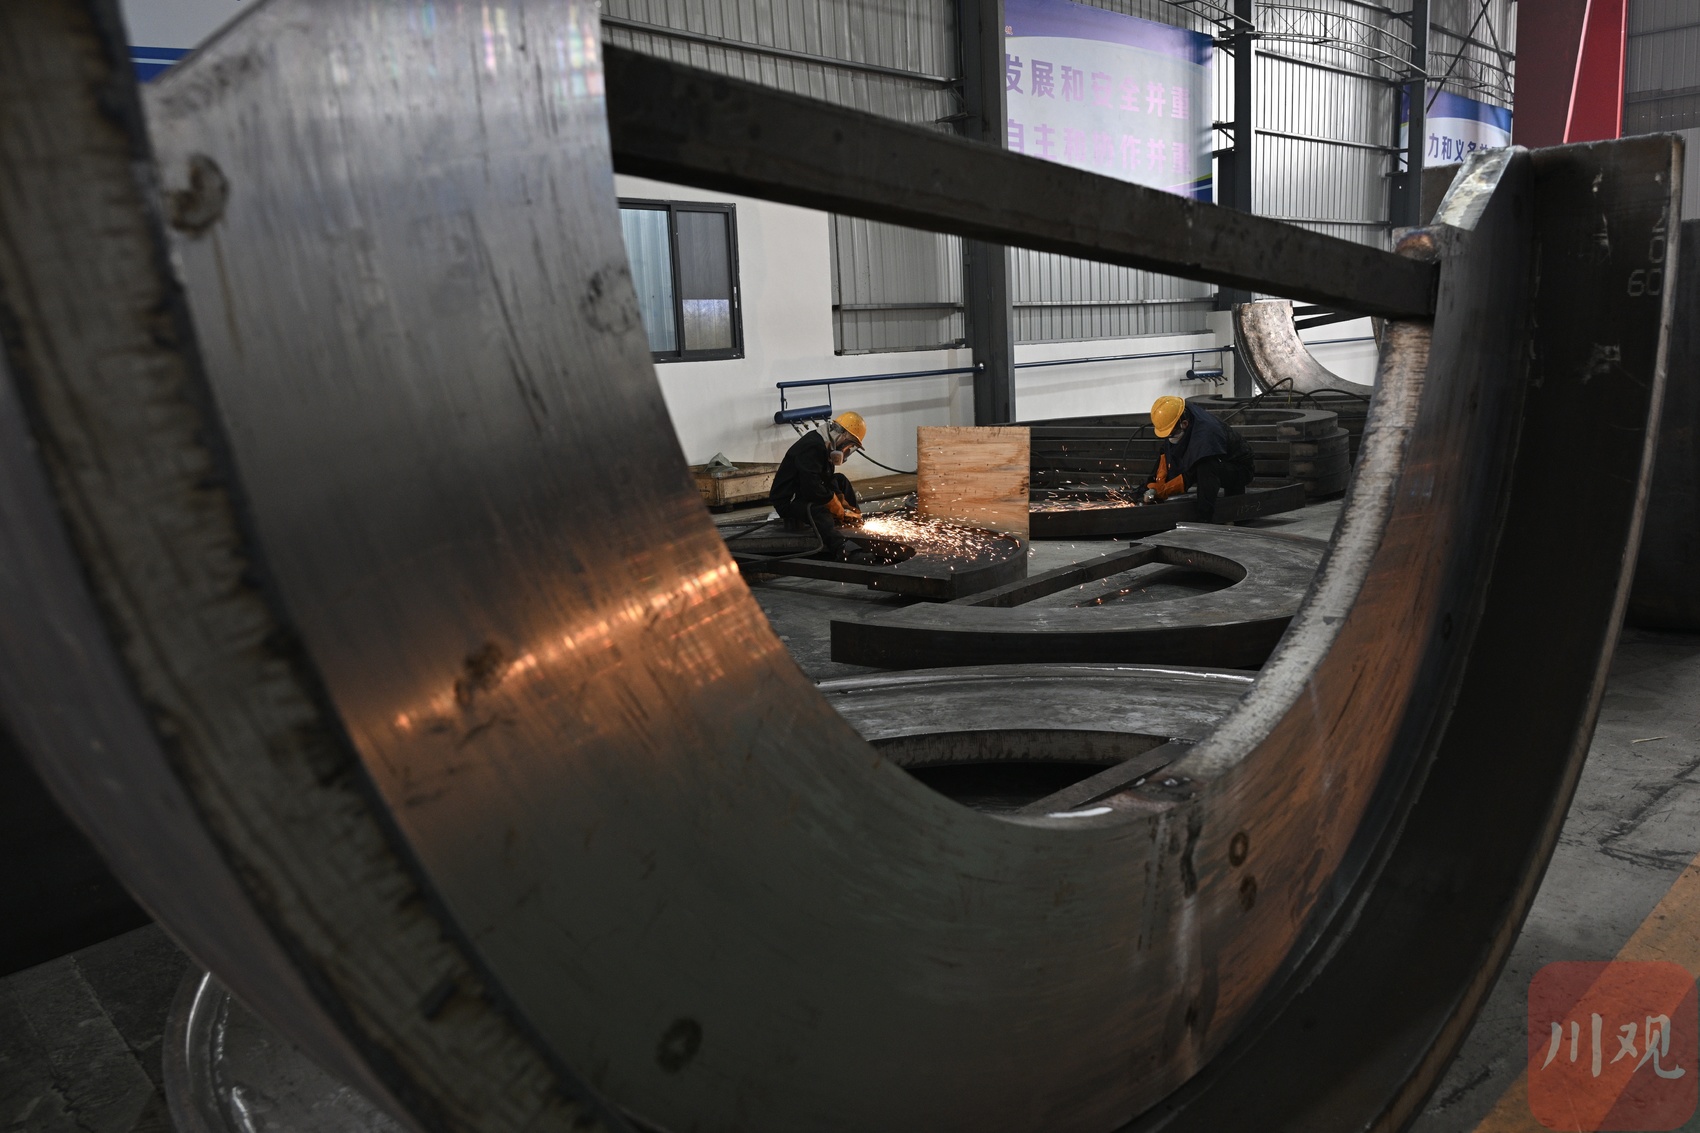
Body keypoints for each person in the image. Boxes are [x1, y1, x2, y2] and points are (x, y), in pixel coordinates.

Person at [1143, 396, 1254, 522]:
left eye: (1171, 434)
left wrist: (1165, 490)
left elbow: (1190, 475)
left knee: (1206, 468)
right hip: (1218, 459)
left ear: (1184, 424)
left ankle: (1205, 518)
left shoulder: (1205, 436)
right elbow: (1166, 452)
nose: (1170, 438)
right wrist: (1154, 483)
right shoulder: (1180, 415)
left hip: (1239, 468)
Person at [771, 411, 867, 556]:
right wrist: (833, 503)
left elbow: (827, 479)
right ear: (841, 436)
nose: (847, 450)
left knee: (840, 480)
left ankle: (854, 519)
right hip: (789, 500)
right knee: (819, 511)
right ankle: (842, 549)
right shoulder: (813, 446)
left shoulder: (826, 445)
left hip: (804, 490)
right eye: (848, 446)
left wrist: (841, 499)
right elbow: (811, 487)